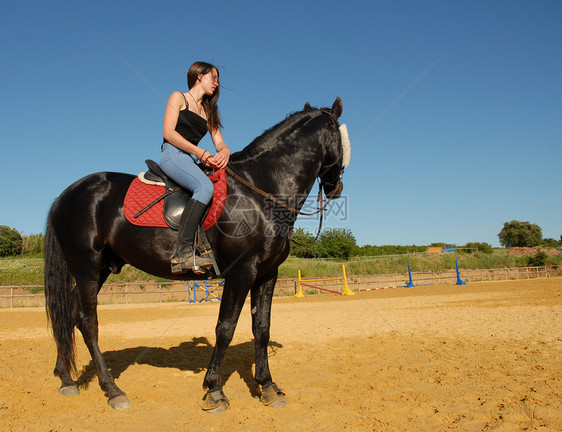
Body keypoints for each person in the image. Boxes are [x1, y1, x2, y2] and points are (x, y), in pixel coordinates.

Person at [160, 61, 230, 274]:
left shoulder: (208, 110)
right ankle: (182, 254)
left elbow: (219, 141)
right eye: (213, 77)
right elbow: (168, 133)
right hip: (173, 154)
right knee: (205, 188)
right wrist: (200, 152)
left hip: (190, 159)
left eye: (218, 80)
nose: (216, 83)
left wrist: (224, 151)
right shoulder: (178, 97)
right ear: (199, 76)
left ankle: (205, 248)